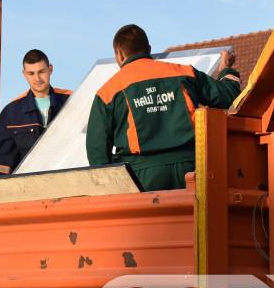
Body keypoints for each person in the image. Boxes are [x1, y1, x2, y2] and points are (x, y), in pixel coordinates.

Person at [86, 24, 240, 190]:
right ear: (149, 49)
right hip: (191, 170)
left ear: (119, 54)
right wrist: (226, 70)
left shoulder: (108, 91)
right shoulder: (184, 73)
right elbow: (227, 95)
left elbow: (97, 152)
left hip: (141, 177)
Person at [0, 49, 72, 175]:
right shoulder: (11, 113)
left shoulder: (71, 100)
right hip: (28, 186)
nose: (37, 78)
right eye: (31, 73)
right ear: (24, 74)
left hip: (68, 180)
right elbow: (2, 163)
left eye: (41, 71)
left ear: (50, 69)